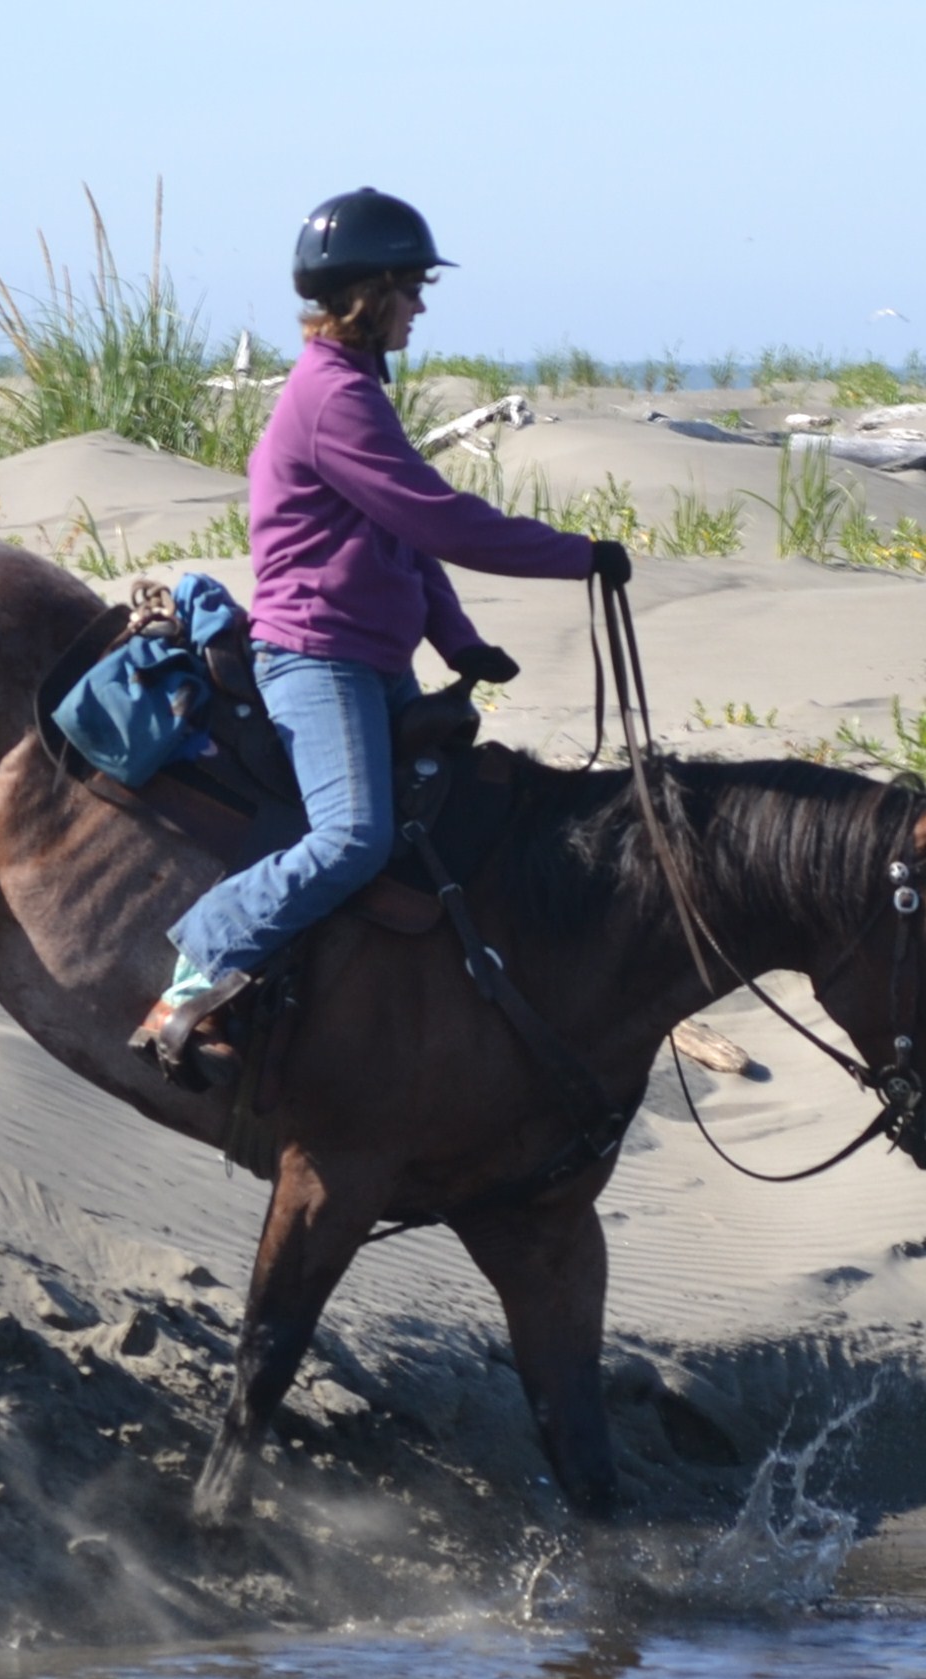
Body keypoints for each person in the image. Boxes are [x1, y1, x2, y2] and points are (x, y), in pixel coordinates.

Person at [137, 188, 628, 1065]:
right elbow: (441, 519)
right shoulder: (333, 399)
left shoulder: (355, 389)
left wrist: (458, 640)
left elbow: (399, 534)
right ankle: (193, 970)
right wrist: (577, 555)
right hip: (315, 659)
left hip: (369, 657)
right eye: (411, 288)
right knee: (353, 837)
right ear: (371, 295)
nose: (422, 305)